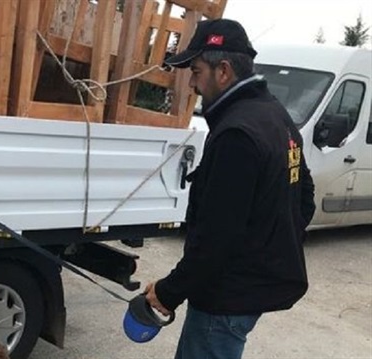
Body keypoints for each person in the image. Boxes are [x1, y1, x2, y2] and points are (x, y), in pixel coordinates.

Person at [144, 18, 316, 359]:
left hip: (225, 298)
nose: (192, 83)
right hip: (246, 290)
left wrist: (167, 291)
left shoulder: (237, 133)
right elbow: (304, 198)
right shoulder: (273, 114)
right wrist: (266, 247)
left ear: (222, 71)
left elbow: (216, 237)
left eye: (195, 71)